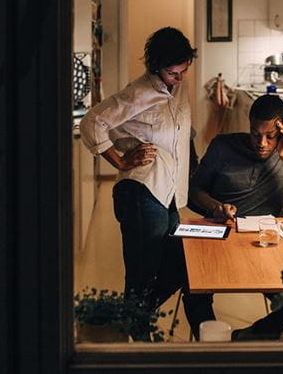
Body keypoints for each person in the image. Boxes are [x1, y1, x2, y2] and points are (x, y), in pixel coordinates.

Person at [79, 26, 196, 339]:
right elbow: (93, 122)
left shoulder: (177, 89)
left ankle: (129, 319)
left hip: (168, 194)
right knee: (142, 274)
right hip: (142, 192)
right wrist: (119, 160)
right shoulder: (140, 92)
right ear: (156, 67)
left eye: (184, 70)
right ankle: (137, 343)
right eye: (173, 73)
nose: (180, 78)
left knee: (176, 263)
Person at [184, 94, 283, 340]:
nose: (261, 142)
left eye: (270, 136)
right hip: (221, 237)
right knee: (193, 288)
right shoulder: (223, 147)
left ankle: (241, 340)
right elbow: (195, 190)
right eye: (255, 134)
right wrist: (217, 207)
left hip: (266, 243)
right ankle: (211, 346)